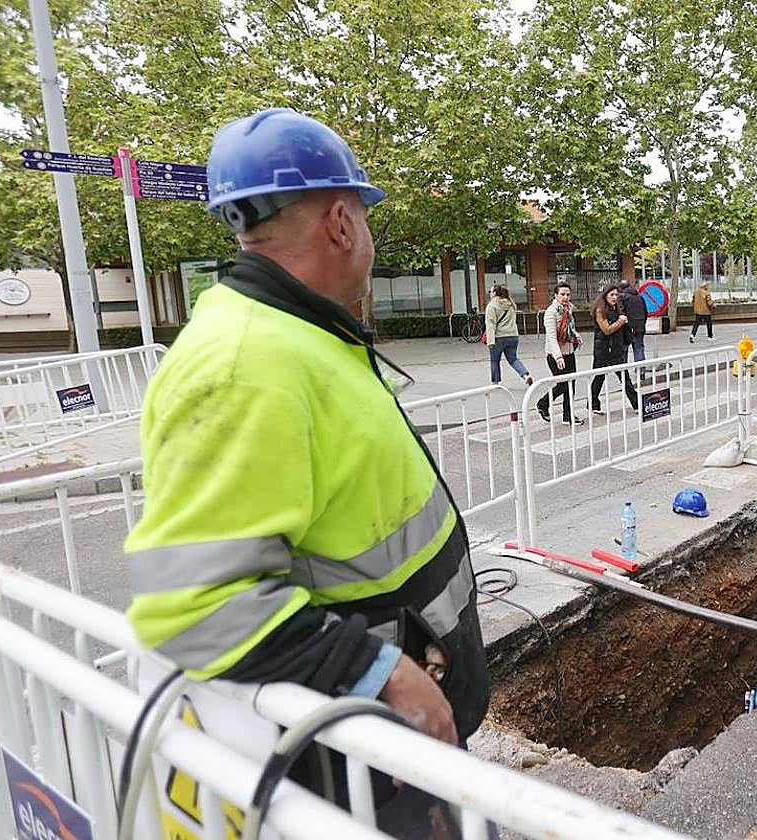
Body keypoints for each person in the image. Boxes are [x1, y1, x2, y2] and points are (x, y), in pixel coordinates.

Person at [123, 108, 488, 837]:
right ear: (341, 222)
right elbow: (197, 606)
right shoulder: (245, 365)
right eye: (368, 218)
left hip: (390, 750)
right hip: (360, 767)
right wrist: (381, 673)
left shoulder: (297, 334)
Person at [536, 282, 584, 425]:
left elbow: (569, 328)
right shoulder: (551, 312)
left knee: (571, 383)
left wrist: (576, 335)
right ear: (556, 295)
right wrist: (558, 357)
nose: (565, 297)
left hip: (569, 352)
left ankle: (568, 416)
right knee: (563, 384)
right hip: (555, 355)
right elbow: (551, 337)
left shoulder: (568, 310)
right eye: (562, 294)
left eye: (568, 294)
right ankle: (543, 404)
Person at [589, 284, 639, 415]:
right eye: (612, 295)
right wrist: (620, 322)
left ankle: (637, 404)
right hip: (603, 351)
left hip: (616, 351)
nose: (614, 297)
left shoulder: (617, 308)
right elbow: (606, 330)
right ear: (605, 295)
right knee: (599, 378)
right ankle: (593, 403)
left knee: (625, 378)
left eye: (616, 295)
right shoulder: (600, 310)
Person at [484, 284, 532, 386]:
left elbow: (490, 324)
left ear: (495, 293)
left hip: (498, 337)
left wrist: (490, 341)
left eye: (491, 291)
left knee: (494, 360)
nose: (490, 293)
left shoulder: (492, 306)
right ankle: (525, 375)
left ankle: (495, 383)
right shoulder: (510, 304)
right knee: (513, 359)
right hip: (513, 336)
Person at [618, 279, 648, 363]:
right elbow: (645, 313)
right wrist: (642, 323)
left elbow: (621, 312)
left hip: (627, 328)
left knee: (624, 349)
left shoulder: (621, 298)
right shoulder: (640, 297)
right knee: (639, 348)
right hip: (640, 327)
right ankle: (641, 372)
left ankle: (623, 372)